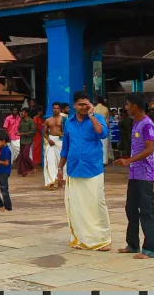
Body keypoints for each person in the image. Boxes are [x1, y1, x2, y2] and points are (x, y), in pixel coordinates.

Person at [57, 91, 111, 251]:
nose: (83, 107)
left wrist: (92, 115)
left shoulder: (97, 119)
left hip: (93, 168)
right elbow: (65, 147)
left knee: (96, 203)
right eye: (80, 104)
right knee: (77, 206)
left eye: (86, 104)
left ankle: (102, 239)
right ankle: (81, 239)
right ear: (74, 105)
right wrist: (60, 168)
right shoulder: (69, 123)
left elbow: (102, 134)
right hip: (74, 169)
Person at [115, 92, 154, 258]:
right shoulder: (135, 123)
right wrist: (129, 161)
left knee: (146, 210)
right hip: (134, 174)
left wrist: (129, 160)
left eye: (127, 104)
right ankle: (132, 244)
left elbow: (149, 149)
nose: (126, 107)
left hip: (145, 175)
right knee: (131, 208)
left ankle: (150, 249)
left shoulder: (147, 124)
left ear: (135, 106)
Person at [43, 102, 65, 189]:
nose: (56, 109)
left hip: (60, 141)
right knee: (50, 161)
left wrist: (62, 136)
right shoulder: (48, 120)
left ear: (60, 109)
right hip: (51, 141)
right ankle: (51, 182)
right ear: (52, 109)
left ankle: (60, 182)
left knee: (61, 161)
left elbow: (66, 131)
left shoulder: (63, 119)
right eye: (54, 108)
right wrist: (48, 140)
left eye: (57, 108)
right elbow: (44, 132)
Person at [94, 97, 114, 166]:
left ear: (96, 101)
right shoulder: (105, 108)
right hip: (104, 127)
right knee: (104, 145)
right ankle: (104, 161)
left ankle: (97, 159)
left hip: (96, 128)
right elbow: (107, 120)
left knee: (96, 144)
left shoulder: (94, 108)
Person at [17, 108, 36, 177]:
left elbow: (33, 131)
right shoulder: (21, 120)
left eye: (23, 112)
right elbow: (19, 128)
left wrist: (24, 134)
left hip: (28, 140)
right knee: (21, 156)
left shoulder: (31, 121)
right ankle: (23, 171)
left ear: (26, 113)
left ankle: (32, 167)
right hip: (22, 140)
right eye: (21, 112)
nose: (21, 113)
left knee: (25, 155)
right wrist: (18, 132)